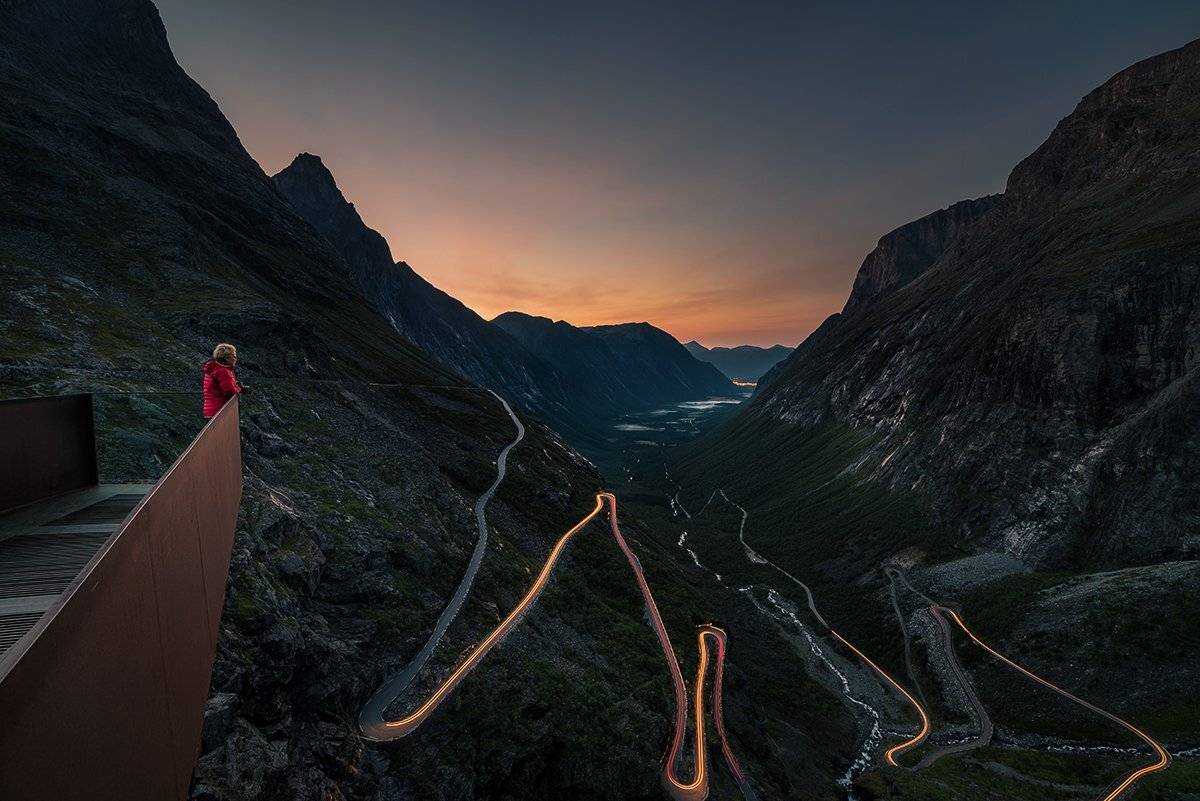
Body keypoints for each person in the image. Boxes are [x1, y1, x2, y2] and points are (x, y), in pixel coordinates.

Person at [203, 342, 244, 418]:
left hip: (210, 410)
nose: (236, 359)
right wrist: (239, 389)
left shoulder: (213, 368)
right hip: (220, 411)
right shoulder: (223, 371)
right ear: (227, 358)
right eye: (234, 356)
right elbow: (230, 392)